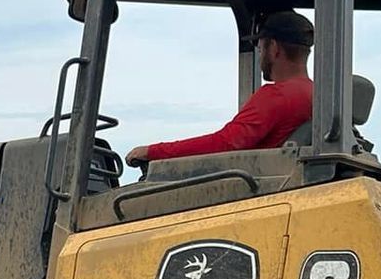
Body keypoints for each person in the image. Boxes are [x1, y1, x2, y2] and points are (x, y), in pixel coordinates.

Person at [125, 10, 314, 167]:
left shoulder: (276, 96)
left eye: (260, 46)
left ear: (273, 48)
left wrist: (153, 152)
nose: (259, 53)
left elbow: (226, 143)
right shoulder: (315, 95)